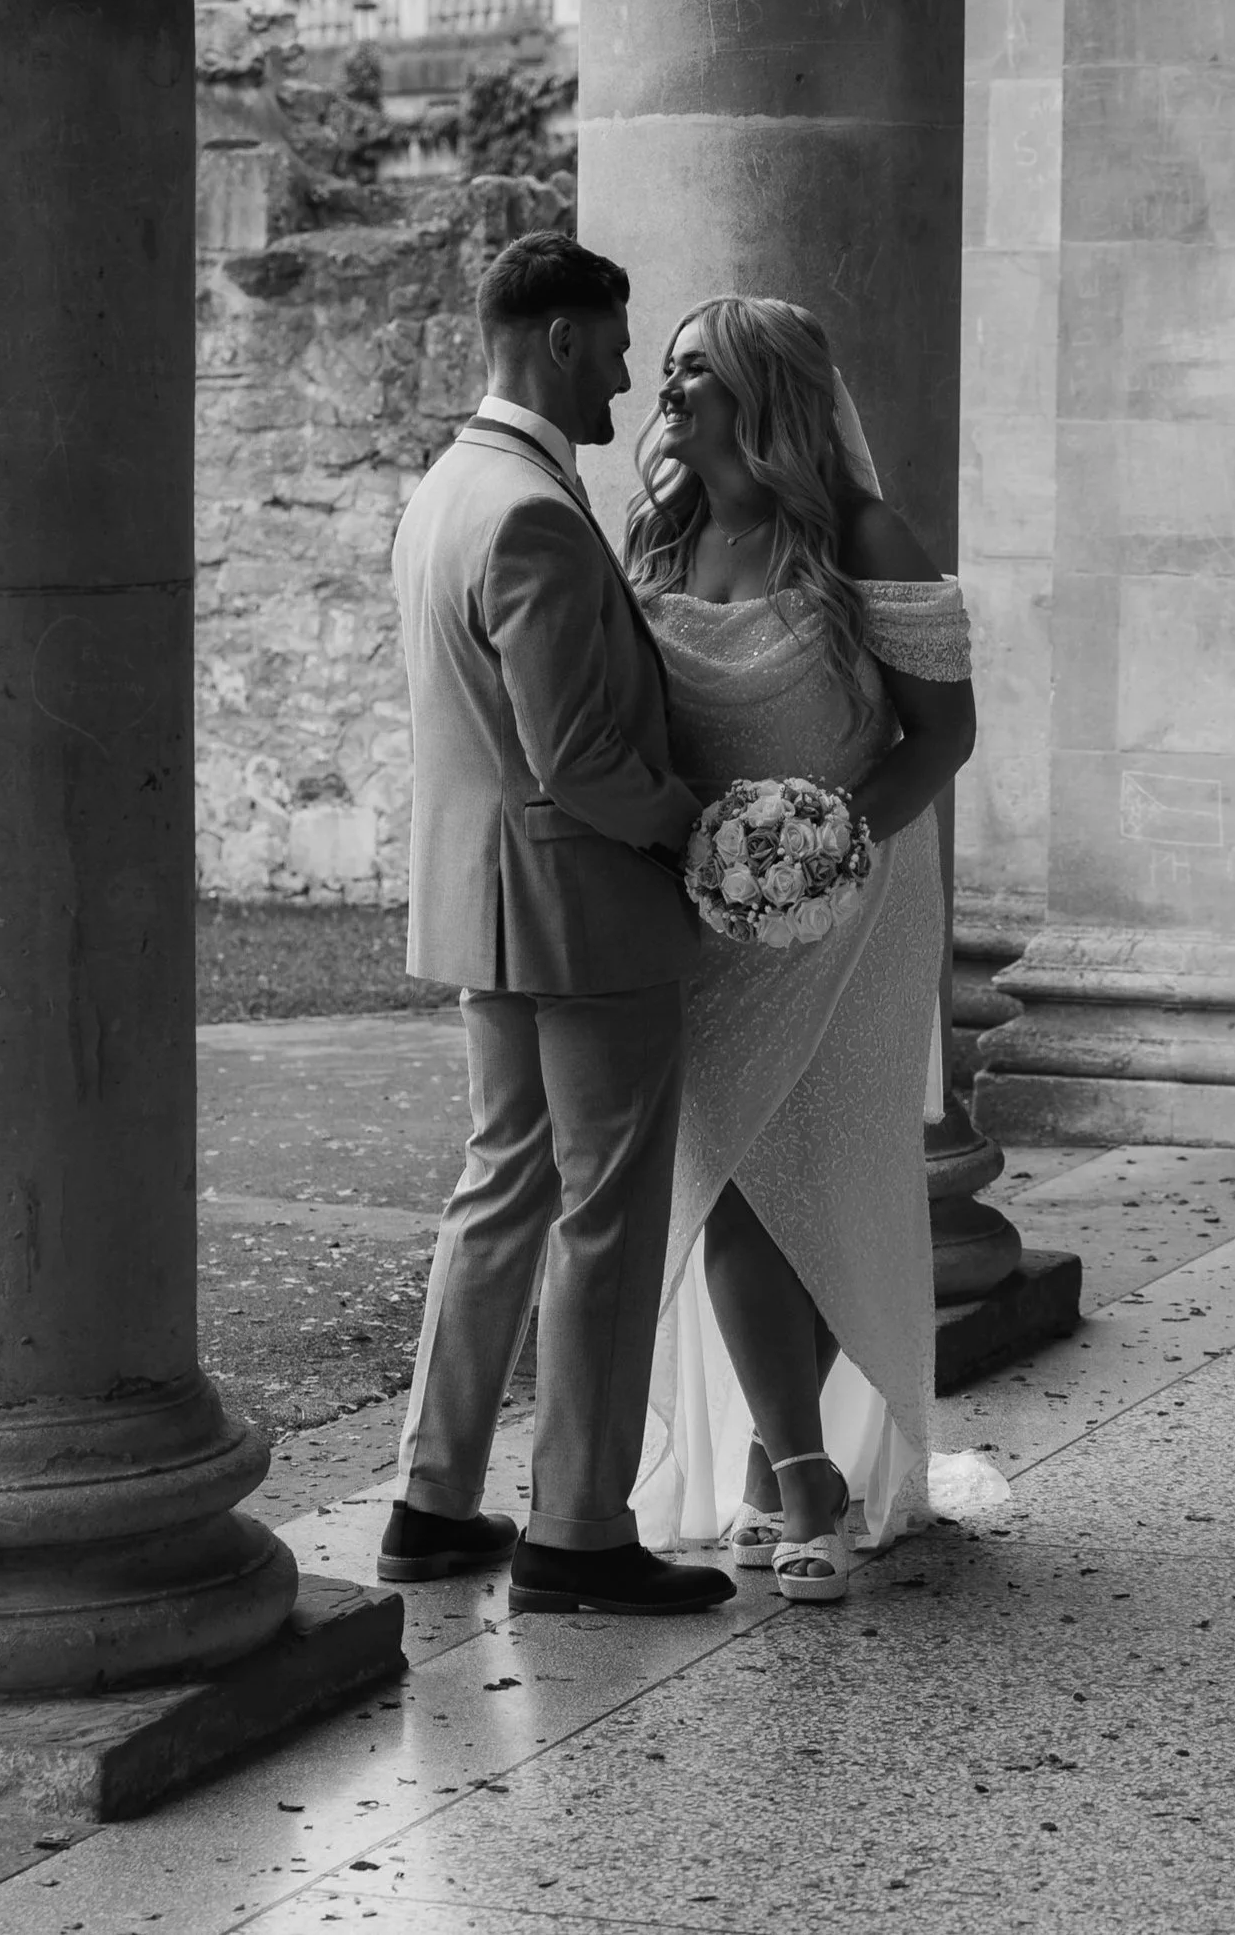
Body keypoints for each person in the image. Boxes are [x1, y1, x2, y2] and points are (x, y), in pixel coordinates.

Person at [624, 295, 1006, 1603]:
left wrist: (834, 843)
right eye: (668, 369)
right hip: (708, 920)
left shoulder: (860, 539)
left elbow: (938, 738)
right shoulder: (660, 532)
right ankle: (802, 1474)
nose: (667, 390)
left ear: (763, 394)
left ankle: (780, 1469)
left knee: (825, 1194)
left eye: (693, 372)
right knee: (731, 1180)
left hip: (849, 909)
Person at [380, 231, 735, 1618]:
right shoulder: (528, 505)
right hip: (578, 913)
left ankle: (431, 1495)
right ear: (562, 337)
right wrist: (693, 825)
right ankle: (579, 1527)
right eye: (618, 342)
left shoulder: (447, 487)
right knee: (605, 1211)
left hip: (484, 906)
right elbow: (575, 756)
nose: (631, 374)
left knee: (503, 1188)